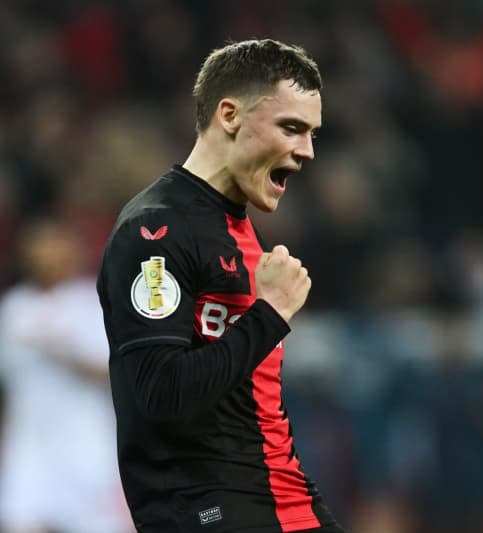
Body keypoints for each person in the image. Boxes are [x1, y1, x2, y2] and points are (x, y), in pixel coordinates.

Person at [96, 39, 345, 532]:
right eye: (291, 128)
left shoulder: (239, 230)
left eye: (312, 133)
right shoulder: (154, 232)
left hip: (283, 497)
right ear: (229, 114)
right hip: (207, 509)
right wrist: (269, 314)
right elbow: (160, 395)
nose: (307, 151)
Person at [0, 217, 132, 533]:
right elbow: (7, 384)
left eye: (54, 244)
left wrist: (60, 351)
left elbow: (113, 372)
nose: (46, 253)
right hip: (29, 445)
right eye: (39, 245)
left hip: (87, 444)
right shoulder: (12, 307)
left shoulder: (94, 302)